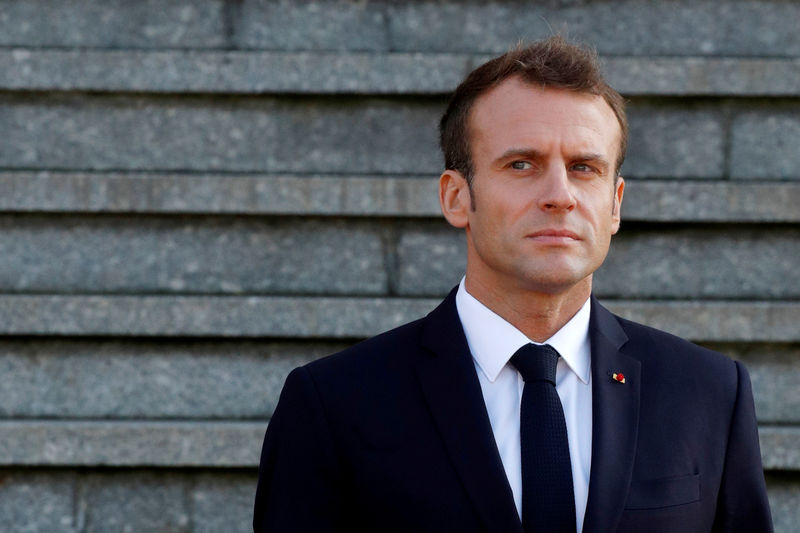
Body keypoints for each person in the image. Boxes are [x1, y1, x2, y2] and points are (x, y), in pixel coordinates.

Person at [253, 36, 772, 532]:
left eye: (584, 167)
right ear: (457, 197)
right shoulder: (334, 404)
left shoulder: (709, 393)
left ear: (615, 203)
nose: (560, 195)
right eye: (521, 164)